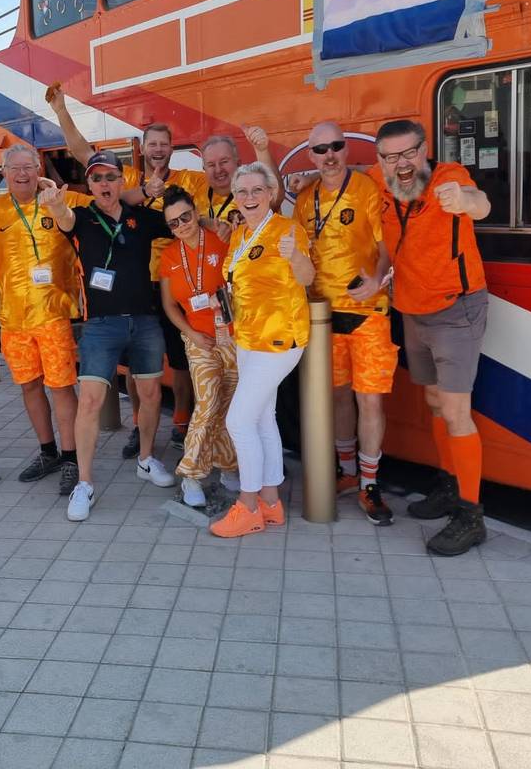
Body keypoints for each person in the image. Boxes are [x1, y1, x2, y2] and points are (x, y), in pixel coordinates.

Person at [47, 87, 207, 454]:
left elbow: (197, 216)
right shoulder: (124, 177)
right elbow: (81, 151)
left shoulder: (186, 180)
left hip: (173, 283)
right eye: (152, 144)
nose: (158, 150)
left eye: (164, 145)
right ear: (143, 147)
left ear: (172, 148)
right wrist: (62, 111)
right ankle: (138, 425)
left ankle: (180, 421)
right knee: (139, 370)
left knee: (177, 361)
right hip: (133, 289)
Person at [374, 119, 491, 556]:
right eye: (391, 157)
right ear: (381, 161)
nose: (401, 164)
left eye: (409, 153)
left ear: (424, 150)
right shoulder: (381, 183)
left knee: (457, 411)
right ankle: (449, 485)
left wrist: (465, 200)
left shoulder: (449, 178)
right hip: (412, 311)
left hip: (455, 309)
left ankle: (471, 515)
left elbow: (481, 205)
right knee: (435, 403)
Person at [47, 151, 177, 522]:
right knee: (90, 401)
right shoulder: (83, 217)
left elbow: (179, 225)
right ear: (88, 185)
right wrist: (56, 204)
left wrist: (210, 223)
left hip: (145, 320)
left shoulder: (143, 217)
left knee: (150, 393)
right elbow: (64, 218)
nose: (104, 184)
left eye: (110, 177)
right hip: (102, 325)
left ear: (122, 181)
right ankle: (84, 484)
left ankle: (147, 459)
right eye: (97, 178)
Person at [293, 122, 399, 526]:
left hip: (368, 311)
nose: (329, 155)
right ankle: (347, 471)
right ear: (311, 155)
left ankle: (370, 485)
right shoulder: (305, 198)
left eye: (336, 146)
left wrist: (377, 279)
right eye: (320, 149)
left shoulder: (368, 189)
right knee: (337, 398)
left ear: (346, 149)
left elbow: (386, 247)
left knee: (369, 399)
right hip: (323, 315)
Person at [211, 162, 314, 538]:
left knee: (238, 420)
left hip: (279, 338)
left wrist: (294, 256)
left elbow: (307, 278)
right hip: (248, 337)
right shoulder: (240, 234)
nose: (249, 198)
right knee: (263, 418)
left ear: (271, 193)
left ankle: (249, 506)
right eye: (242, 192)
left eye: (257, 190)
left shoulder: (289, 230)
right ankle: (271, 502)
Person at [0, 143, 89, 494]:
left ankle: (72, 458)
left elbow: (106, 204)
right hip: (13, 319)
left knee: (60, 387)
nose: (23, 174)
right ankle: (48, 452)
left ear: (38, 168)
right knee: (29, 386)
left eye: (29, 167)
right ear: (4, 174)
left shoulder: (60, 199)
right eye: (16, 169)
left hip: (54, 314)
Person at [158, 186, 239, 506]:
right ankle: (192, 475)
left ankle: (229, 467)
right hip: (198, 339)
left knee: (233, 406)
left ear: (196, 211)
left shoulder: (221, 238)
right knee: (207, 403)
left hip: (232, 335)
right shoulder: (168, 256)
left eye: (186, 217)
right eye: (174, 223)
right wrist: (190, 334)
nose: (182, 226)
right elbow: (169, 305)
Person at [199, 129, 282, 241]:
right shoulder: (196, 195)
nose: (218, 170)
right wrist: (205, 222)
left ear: (238, 163)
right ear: (204, 169)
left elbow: (276, 196)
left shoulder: (253, 193)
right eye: (211, 165)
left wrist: (261, 150)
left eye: (224, 162)